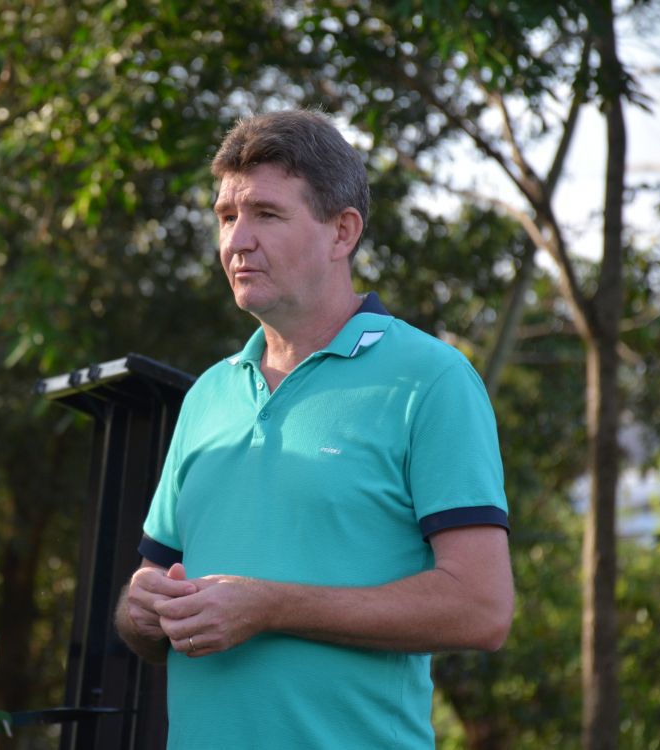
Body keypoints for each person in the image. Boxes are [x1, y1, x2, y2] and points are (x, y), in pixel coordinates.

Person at [114, 110, 514, 748]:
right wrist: (141, 610)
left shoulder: (432, 380)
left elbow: (482, 609)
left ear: (342, 232)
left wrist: (270, 608)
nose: (238, 241)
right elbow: (149, 596)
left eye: (266, 214)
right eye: (226, 216)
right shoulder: (208, 394)